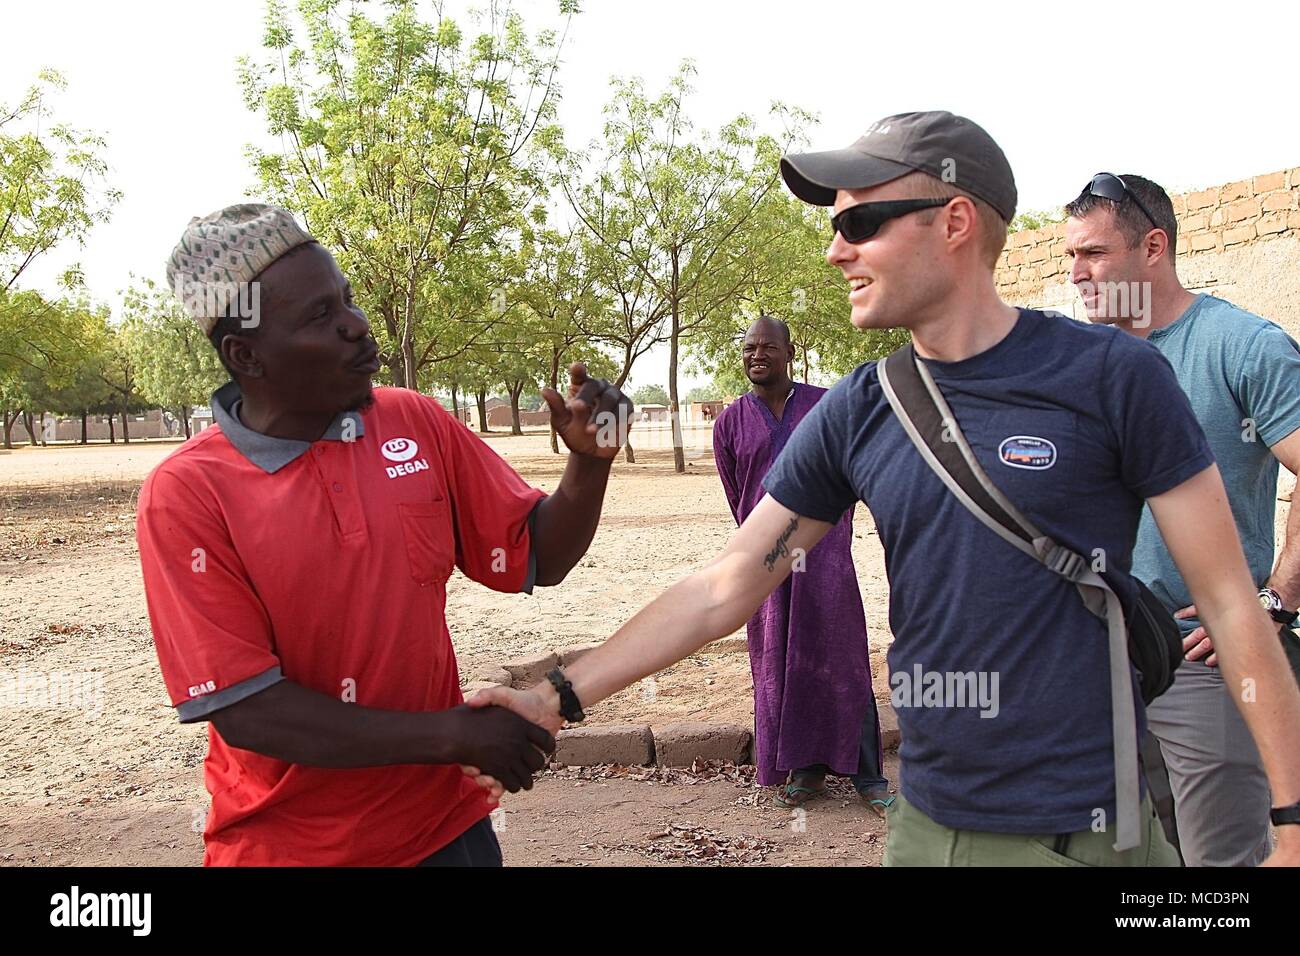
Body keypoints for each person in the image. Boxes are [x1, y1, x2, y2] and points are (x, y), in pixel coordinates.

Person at [467, 112, 1300, 866]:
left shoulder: (1114, 377)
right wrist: (557, 695)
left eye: (861, 222)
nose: (836, 249)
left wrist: (1292, 823)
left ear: (955, 223)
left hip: (1087, 831)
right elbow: (726, 586)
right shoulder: (863, 408)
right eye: (835, 227)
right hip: (927, 831)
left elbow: (1230, 603)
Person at [137, 203, 630, 866]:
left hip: (448, 833)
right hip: (290, 849)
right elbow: (248, 711)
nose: (356, 326)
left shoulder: (412, 421)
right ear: (245, 354)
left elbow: (538, 553)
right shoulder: (189, 495)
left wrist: (589, 464)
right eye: (319, 316)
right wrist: (449, 736)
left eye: (347, 299)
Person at [1065, 173, 1300, 865]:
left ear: (1154, 247)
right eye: (1069, 256)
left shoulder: (1243, 346)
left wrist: (1277, 597)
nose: (1076, 274)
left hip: (1203, 655)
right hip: (1097, 659)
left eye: (1094, 254)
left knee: (1217, 864)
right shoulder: (1082, 365)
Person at [712, 314, 889, 813]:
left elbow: (856, 471)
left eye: (768, 347)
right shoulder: (730, 422)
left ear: (791, 353)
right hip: (762, 564)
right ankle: (804, 769)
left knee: (842, 657)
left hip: (827, 557)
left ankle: (869, 775)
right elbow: (738, 496)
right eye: (749, 348)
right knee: (780, 662)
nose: (756, 356)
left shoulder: (826, 407)